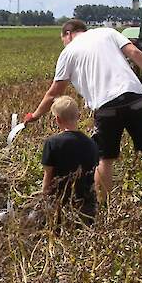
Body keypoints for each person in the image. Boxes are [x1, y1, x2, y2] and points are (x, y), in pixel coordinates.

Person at [24, 19, 142, 201]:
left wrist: (36, 115)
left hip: (106, 106)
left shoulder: (68, 52)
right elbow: (134, 52)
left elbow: (54, 92)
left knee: (105, 159)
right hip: (136, 97)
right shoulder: (108, 33)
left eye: (62, 38)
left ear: (68, 34)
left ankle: (104, 208)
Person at [41, 96, 99, 224]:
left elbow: (48, 175)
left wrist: (44, 199)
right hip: (85, 205)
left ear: (57, 119)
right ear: (78, 116)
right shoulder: (91, 143)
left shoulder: (52, 143)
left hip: (59, 202)